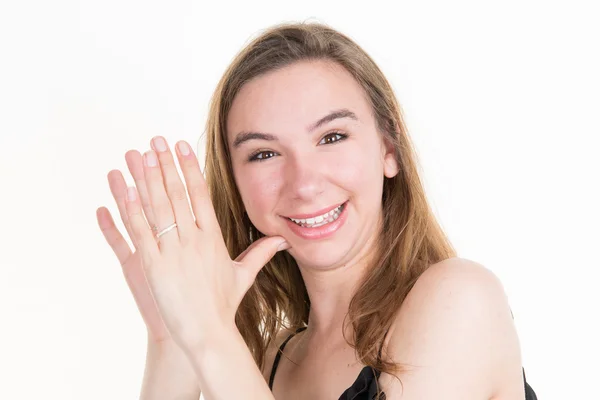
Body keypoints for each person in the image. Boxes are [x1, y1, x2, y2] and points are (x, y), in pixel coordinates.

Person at [96, 21, 537, 399]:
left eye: (332, 137)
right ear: (235, 184)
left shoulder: (461, 300)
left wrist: (209, 334)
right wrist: (173, 337)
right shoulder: (272, 359)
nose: (304, 184)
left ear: (389, 149)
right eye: (264, 154)